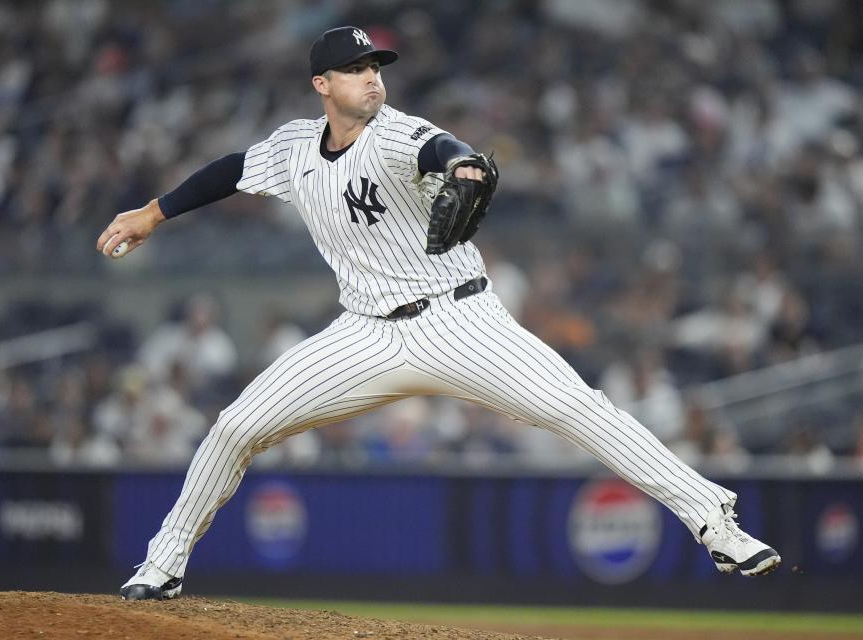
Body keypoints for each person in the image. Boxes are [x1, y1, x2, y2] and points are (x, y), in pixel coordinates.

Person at [98, 26, 780, 601]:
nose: (371, 79)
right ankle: (163, 564)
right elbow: (230, 169)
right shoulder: (293, 149)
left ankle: (716, 522)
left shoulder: (394, 134)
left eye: (375, 68)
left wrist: (463, 170)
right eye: (354, 70)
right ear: (321, 86)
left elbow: (444, 150)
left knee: (583, 410)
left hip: (461, 322)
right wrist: (154, 213)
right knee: (235, 425)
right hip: (364, 332)